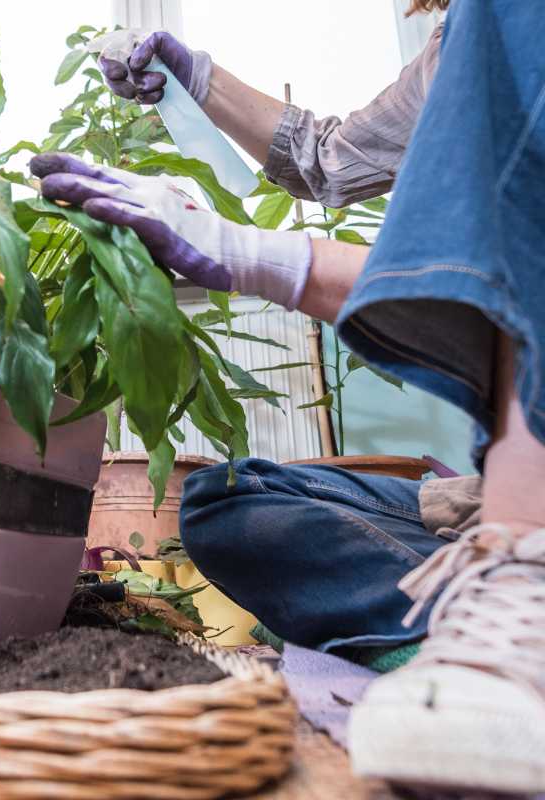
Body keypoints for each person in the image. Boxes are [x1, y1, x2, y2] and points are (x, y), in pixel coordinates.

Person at [30, 0, 545, 794]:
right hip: (505, 501)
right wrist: (195, 79)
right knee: (232, 502)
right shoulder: (475, 36)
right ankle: (494, 604)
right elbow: (330, 159)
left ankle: (507, 616)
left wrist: (248, 253)